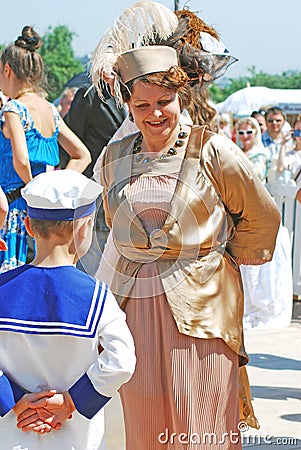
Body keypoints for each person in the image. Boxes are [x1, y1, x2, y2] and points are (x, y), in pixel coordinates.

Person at [92, 38, 281, 449]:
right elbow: (111, 219)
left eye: (164, 100)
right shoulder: (114, 156)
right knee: (143, 418)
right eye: (142, 106)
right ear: (128, 106)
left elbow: (261, 216)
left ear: (181, 95)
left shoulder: (213, 149)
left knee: (201, 417)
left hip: (202, 309)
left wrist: (220, 262)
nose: (155, 113)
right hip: (134, 307)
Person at [0, 169, 136, 449]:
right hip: (77, 437)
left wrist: (13, 400)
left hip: (10, 433)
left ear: (27, 226)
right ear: (84, 228)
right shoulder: (97, 296)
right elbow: (122, 362)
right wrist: (72, 401)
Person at [0, 26, 91, 272]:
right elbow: (82, 155)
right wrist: (53, 190)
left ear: (7, 70)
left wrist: (34, 189)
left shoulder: (13, 109)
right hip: (43, 216)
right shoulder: (50, 110)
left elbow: (20, 159)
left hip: (12, 212)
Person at [236, 117, 293, 329]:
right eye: (241, 133)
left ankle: (261, 305)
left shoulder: (260, 154)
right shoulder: (236, 152)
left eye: (249, 132)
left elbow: (253, 178)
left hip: (256, 208)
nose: (245, 137)